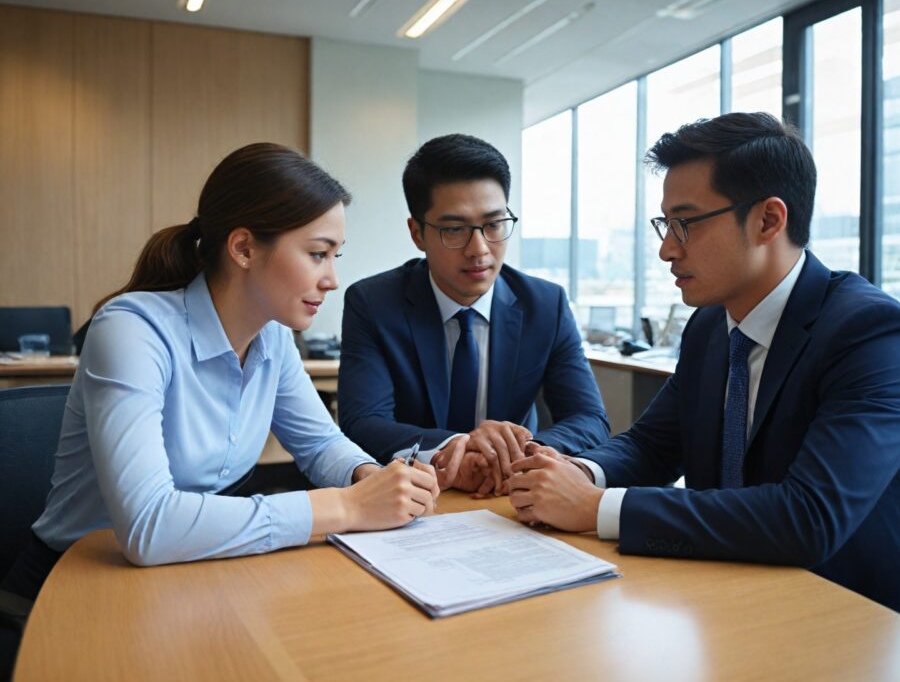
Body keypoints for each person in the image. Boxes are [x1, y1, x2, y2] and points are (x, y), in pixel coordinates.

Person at [0, 142, 440, 603]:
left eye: (336, 257)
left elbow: (321, 444)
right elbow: (148, 524)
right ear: (244, 248)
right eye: (317, 254)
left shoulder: (272, 337)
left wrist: (367, 477)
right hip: (74, 588)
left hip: (189, 575)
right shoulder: (132, 330)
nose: (331, 279)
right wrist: (345, 507)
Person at [507, 112, 900, 611]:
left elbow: (810, 517)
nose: (667, 249)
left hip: (841, 613)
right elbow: (652, 445)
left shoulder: (869, 333)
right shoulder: (711, 326)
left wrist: (594, 507)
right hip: (722, 596)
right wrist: (577, 472)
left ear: (768, 220)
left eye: (685, 224)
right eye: (665, 225)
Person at [338, 133, 609, 496]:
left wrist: (516, 452)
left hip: (509, 493)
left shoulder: (545, 304)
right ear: (417, 233)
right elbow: (363, 422)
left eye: (494, 225)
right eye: (454, 229)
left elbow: (589, 418)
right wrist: (455, 447)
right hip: (416, 493)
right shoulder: (374, 302)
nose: (479, 249)